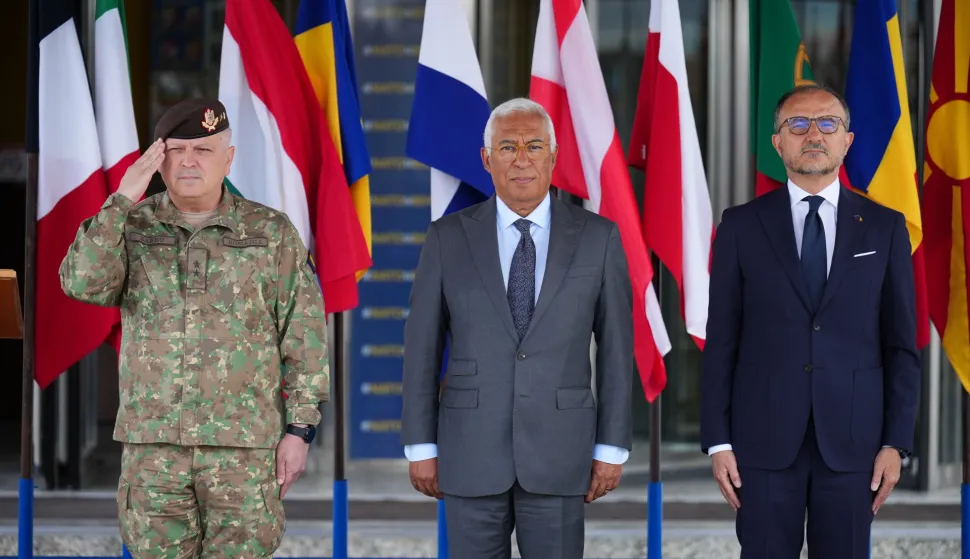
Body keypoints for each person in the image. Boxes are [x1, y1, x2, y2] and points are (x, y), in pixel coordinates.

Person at [59, 98, 330, 558]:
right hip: (154, 451)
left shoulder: (270, 232)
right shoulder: (131, 226)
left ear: (229, 157)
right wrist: (123, 198)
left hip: (243, 452)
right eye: (177, 149)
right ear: (157, 160)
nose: (188, 161)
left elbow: (303, 336)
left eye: (203, 150)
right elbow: (80, 282)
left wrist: (300, 430)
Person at [400, 97, 634, 559]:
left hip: (561, 453)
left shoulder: (598, 237)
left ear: (554, 154)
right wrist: (420, 443)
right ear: (487, 159)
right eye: (507, 147)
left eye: (534, 145)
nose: (522, 159)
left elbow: (617, 351)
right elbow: (422, 347)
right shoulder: (447, 237)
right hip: (469, 453)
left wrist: (611, 446)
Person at [700, 83, 921, 558]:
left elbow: (901, 345)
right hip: (761, 444)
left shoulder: (886, 228)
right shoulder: (740, 226)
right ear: (777, 142)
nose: (813, 135)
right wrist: (717, 441)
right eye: (797, 124)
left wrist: (894, 443)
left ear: (848, 139)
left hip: (854, 444)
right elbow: (721, 341)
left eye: (828, 124)